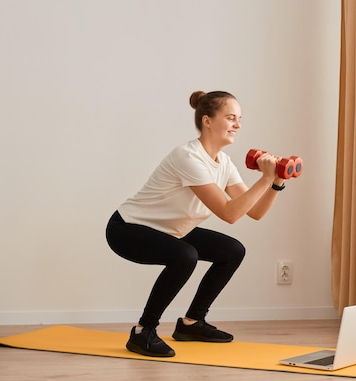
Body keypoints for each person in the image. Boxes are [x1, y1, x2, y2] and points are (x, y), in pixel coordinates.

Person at [105, 90, 286, 357]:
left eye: (239, 119)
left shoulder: (223, 162)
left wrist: (277, 182)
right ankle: (144, 332)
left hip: (170, 230)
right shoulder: (188, 157)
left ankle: (192, 324)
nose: (238, 124)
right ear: (207, 121)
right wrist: (264, 178)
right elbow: (229, 213)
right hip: (128, 229)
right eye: (231, 117)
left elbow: (254, 211)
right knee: (185, 255)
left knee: (232, 250)